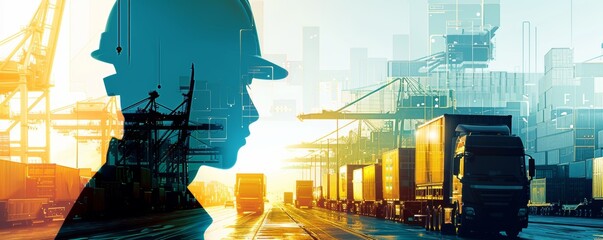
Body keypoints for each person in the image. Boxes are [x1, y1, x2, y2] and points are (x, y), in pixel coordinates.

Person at [56, 0, 287, 238]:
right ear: (170, 87)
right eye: (235, 85)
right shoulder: (144, 227)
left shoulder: (130, 221)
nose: (252, 112)